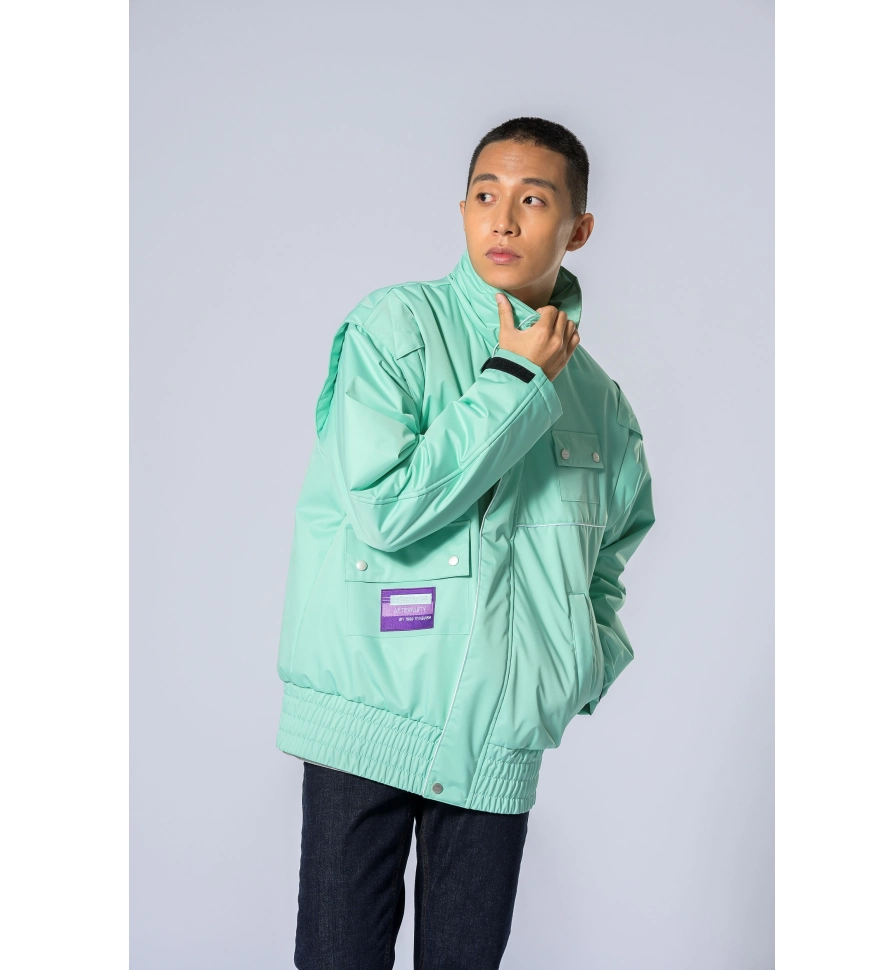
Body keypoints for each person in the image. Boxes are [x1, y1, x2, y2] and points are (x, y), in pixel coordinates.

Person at [276, 116, 656, 970]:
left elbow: (609, 556)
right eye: (486, 196)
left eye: (534, 200)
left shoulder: (601, 402)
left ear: (579, 229)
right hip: (365, 719)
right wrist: (515, 381)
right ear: (463, 212)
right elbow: (386, 510)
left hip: (498, 739)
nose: (504, 220)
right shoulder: (395, 328)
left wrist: (572, 666)